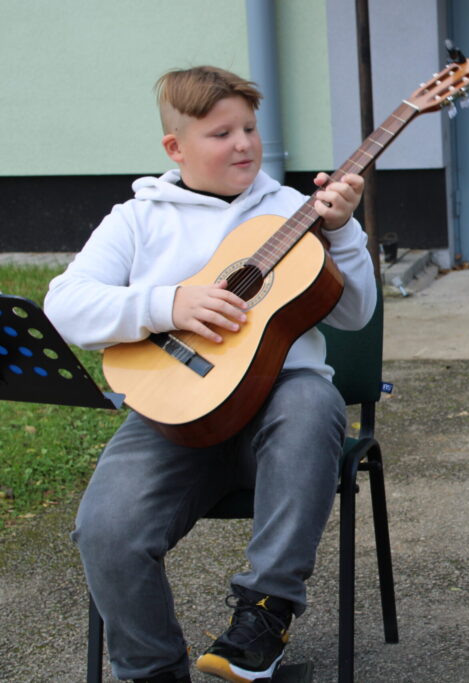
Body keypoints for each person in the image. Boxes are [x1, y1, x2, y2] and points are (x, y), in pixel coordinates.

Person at [44, 66, 376, 683]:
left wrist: (344, 231)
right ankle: (152, 670)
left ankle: (263, 617)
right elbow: (65, 304)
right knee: (106, 532)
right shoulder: (138, 218)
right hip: (174, 415)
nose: (244, 144)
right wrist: (166, 305)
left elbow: (355, 315)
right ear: (176, 147)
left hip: (281, 419)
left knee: (312, 398)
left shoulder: (293, 212)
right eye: (221, 133)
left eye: (249, 128)